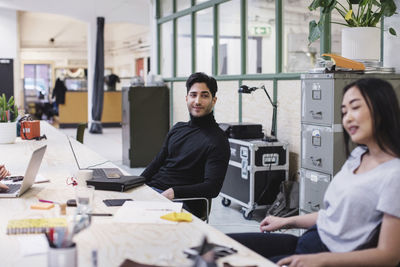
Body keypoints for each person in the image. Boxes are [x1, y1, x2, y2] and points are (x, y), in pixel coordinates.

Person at [229, 78, 400, 267]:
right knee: (221, 246)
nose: (347, 118)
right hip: (307, 242)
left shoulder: (394, 175)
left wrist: (321, 260)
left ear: (382, 107)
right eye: (344, 112)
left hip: (327, 258)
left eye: (355, 107)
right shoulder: (358, 156)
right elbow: (333, 216)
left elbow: (389, 255)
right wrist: (286, 221)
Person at [141, 72, 230, 215]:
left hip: (183, 202)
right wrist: (136, 184)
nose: (197, 101)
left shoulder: (218, 140)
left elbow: (212, 187)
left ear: (214, 101)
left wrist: (173, 192)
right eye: (193, 95)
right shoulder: (178, 128)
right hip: (154, 192)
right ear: (186, 98)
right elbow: (157, 163)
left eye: (204, 95)